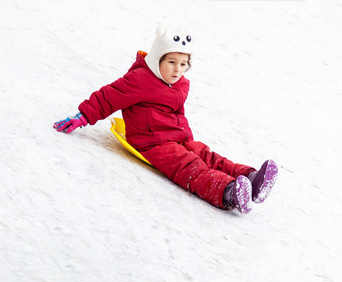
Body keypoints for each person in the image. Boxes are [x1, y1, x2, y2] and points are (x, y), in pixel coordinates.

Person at [53, 25, 278, 214]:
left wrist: (188, 140)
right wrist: (83, 116)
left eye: (183, 64)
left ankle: (251, 178)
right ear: (156, 58)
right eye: (171, 62)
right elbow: (109, 97)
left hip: (178, 138)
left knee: (206, 155)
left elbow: (178, 114)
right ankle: (228, 191)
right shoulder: (140, 79)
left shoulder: (181, 83)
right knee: (189, 166)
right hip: (152, 142)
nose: (177, 69)